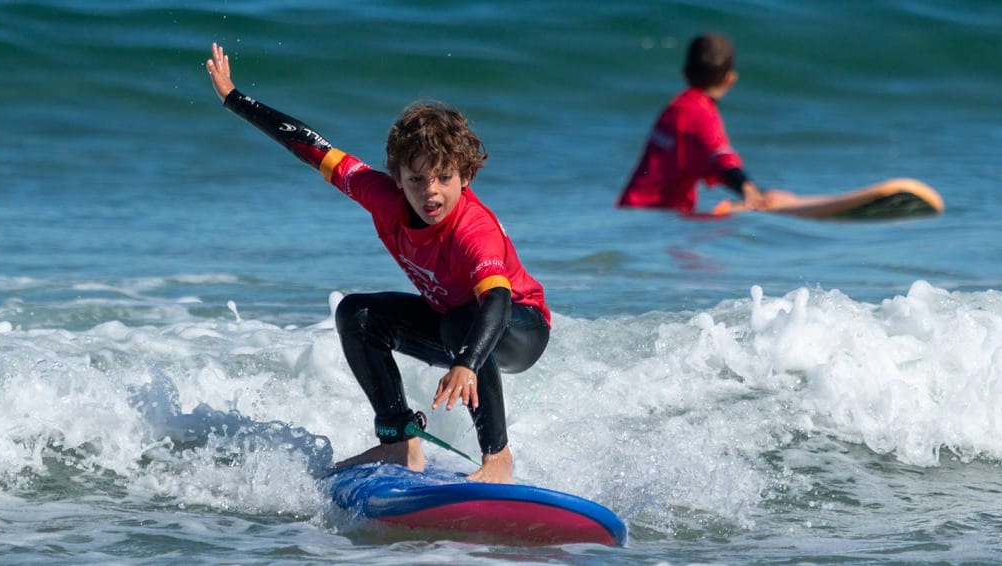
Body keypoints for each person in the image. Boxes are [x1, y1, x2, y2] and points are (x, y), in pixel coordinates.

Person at [205, 43, 550, 484]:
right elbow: (308, 147)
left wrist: (465, 363)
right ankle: (398, 442)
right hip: (457, 323)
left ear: (465, 177)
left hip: (520, 328)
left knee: (461, 322)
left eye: (445, 178)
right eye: (417, 179)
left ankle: (497, 458)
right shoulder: (379, 195)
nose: (432, 191)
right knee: (358, 315)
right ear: (397, 179)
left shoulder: (472, 230)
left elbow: (497, 301)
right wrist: (235, 99)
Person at [617, 33, 771, 215]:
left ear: (685, 73)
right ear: (730, 79)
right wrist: (748, 189)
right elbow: (722, 157)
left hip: (629, 211)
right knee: (771, 201)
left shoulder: (674, 108)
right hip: (661, 218)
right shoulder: (702, 114)